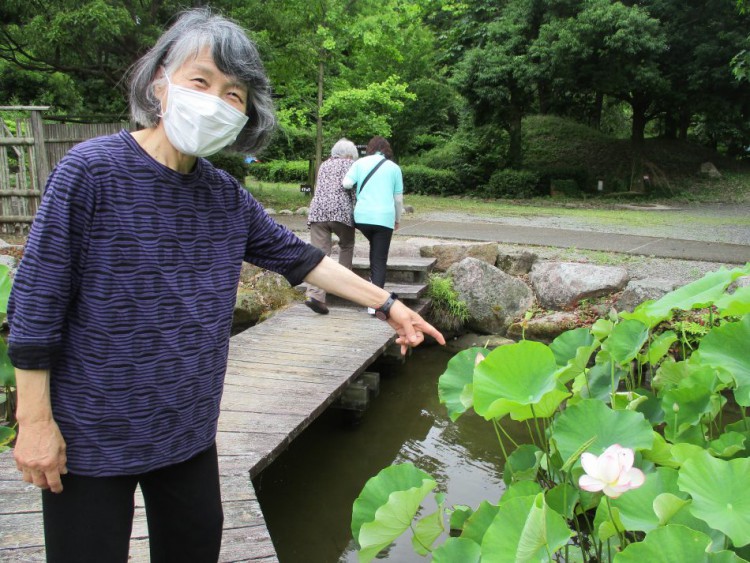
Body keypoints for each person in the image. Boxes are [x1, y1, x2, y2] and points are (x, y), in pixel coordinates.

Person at [6, 9, 444, 563]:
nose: (216, 100)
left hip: (187, 429)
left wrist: (388, 304)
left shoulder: (222, 195)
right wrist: (35, 422)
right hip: (91, 433)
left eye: (234, 94)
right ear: (159, 81)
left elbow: (301, 257)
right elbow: (35, 308)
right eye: (201, 81)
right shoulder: (90, 172)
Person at [343, 136, 404, 315]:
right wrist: (397, 219)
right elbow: (398, 199)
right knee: (379, 259)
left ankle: (371, 288)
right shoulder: (394, 168)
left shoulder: (360, 163)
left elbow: (346, 183)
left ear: (369, 148)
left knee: (374, 248)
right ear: (387, 150)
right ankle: (375, 304)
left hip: (362, 217)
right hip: (384, 219)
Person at [304, 138, 359, 314]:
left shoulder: (324, 165)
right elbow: (353, 192)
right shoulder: (351, 166)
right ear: (350, 155)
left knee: (319, 254)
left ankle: (315, 294)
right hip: (340, 212)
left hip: (318, 211)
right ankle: (343, 287)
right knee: (346, 245)